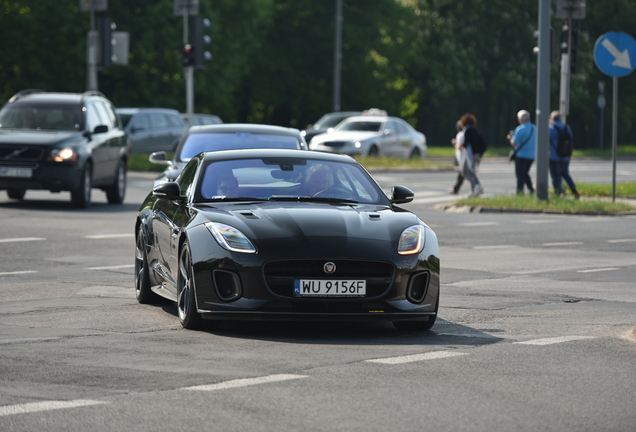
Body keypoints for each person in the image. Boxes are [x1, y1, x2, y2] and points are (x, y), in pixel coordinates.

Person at [450, 114, 484, 196]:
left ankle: (477, 185)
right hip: (476, 154)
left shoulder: (467, 130)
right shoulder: (475, 130)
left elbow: (464, 145)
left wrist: (456, 144)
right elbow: (483, 144)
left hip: (470, 155)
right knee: (471, 171)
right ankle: (474, 191)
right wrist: (480, 154)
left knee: (464, 171)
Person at [549, 111, 580, 199]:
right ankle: (574, 191)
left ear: (552, 118)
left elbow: (545, 139)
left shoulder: (551, 128)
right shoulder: (567, 127)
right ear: (560, 118)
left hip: (554, 156)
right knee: (566, 175)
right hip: (565, 156)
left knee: (556, 176)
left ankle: (557, 194)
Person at [507, 109, 536, 195]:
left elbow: (514, 143)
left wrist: (510, 138)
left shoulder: (520, 129)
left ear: (521, 119)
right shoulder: (534, 128)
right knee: (526, 173)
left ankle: (520, 192)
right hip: (532, 155)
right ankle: (531, 190)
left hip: (521, 155)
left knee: (520, 175)